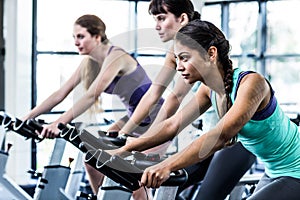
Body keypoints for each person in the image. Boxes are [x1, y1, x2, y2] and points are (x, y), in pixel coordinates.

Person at [112, 19, 300, 200]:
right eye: (177, 59)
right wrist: (128, 146)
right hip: (274, 169)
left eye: (184, 58)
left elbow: (220, 136)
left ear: (211, 53)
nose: (179, 67)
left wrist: (166, 166)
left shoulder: (252, 83)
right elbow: (173, 124)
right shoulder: (208, 89)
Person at [118, 0, 256, 199]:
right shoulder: (176, 53)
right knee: (162, 184)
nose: (156, 25)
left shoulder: (200, 45)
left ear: (182, 18)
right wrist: (128, 135)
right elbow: (155, 94)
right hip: (208, 135)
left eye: (161, 18)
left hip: (233, 140)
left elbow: (175, 98)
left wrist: (146, 141)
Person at [22, 14, 164, 198]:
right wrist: (27, 117)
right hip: (133, 118)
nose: (75, 42)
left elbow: (91, 96)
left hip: (155, 118)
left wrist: (59, 123)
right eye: (74, 37)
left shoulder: (116, 56)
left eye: (80, 36)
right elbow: (60, 94)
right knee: (92, 161)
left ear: (97, 36)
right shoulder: (89, 63)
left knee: (131, 175)